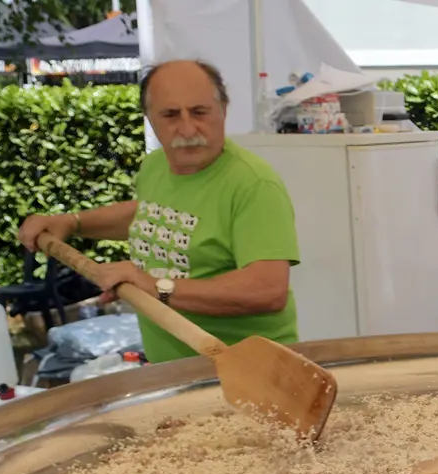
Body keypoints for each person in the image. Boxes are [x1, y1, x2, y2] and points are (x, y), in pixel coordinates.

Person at [18, 60, 300, 364]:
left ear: (224, 110)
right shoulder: (156, 166)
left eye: (199, 112)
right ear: (149, 118)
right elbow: (150, 216)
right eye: (170, 115)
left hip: (251, 372)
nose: (188, 128)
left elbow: (266, 291)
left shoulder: (253, 184)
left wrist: (155, 287)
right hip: (176, 368)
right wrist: (71, 222)